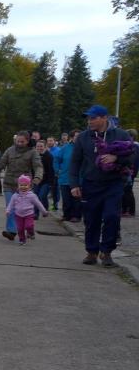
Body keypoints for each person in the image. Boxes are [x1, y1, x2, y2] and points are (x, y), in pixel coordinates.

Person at [70, 105, 135, 267]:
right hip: (91, 184)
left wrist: (116, 158)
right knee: (92, 219)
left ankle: (106, 252)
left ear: (104, 118)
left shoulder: (121, 134)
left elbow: (132, 157)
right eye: (88, 118)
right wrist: (74, 184)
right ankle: (92, 252)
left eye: (93, 118)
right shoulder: (83, 137)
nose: (89, 121)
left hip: (113, 183)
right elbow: (75, 162)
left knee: (112, 217)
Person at [0, 131, 42, 241]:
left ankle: (28, 228)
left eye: (22, 142)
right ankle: (12, 231)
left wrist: (37, 178)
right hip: (9, 184)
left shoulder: (32, 152)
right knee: (11, 207)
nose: (19, 143)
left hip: (24, 186)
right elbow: (0, 164)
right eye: (18, 141)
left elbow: (38, 167)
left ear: (27, 141)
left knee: (24, 210)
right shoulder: (10, 150)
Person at [5, 175, 49, 246]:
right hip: (18, 215)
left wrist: (44, 212)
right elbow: (11, 204)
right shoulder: (15, 195)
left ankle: (31, 233)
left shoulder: (32, 196)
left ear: (29, 186)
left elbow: (38, 204)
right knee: (20, 229)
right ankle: (22, 240)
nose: (23, 187)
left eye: (25, 185)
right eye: (21, 185)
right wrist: (8, 211)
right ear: (18, 185)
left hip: (29, 214)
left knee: (28, 226)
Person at [55, 130, 82, 222]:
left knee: (76, 198)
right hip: (65, 177)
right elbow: (56, 160)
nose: (78, 138)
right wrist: (58, 170)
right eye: (76, 136)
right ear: (72, 137)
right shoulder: (65, 148)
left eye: (80, 136)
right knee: (66, 198)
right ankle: (66, 215)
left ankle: (76, 216)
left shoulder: (83, 148)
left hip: (78, 178)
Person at [34, 140, 55, 217]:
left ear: (45, 147)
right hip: (36, 180)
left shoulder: (49, 156)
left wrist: (50, 182)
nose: (39, 148)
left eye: (41, 146)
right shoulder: (34, 156)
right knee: (35, 197)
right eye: (38, 146)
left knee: (42, 196)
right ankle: (35, 213)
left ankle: (45, 209)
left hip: (46, 180)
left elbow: (51, 170)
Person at [122, 129, 138, 217]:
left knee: (127, 191)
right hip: (131, 171)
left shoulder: (134, 146)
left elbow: (133, 160)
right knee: (127, 190)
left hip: (129, 171)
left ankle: (128, 210)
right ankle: (127, 210)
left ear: (131, 136)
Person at [47, 136, 61, 210]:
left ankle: (55, 204)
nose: (49, 142)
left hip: (56, 173)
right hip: (48, 173)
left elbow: (61, 161)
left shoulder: (58, 150)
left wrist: (59, 170)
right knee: (51, 189)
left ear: (54, 141)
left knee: (55, 189)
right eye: (48, 141)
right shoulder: (47, 150)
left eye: (51, 141)